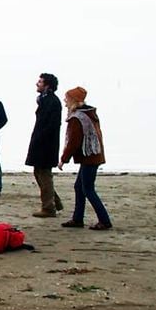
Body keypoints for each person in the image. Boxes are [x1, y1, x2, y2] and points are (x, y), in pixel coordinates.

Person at [58, 87, 112, 230]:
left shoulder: (78, 118)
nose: (64, 101)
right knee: (79, 187)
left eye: (66, 98)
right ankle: (77, 219)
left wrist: (63, 159)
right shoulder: (88, 114)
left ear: (73, 101)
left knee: (88, 189)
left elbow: (74, 142)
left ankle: (104, 220)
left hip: (90, 157)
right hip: (93, 155)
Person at [26, 73, 64, 218]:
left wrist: (40, 139)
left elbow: (52, 125)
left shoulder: (52, 101)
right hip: (41, 142)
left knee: (44, 174)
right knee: (39, 173)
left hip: (46, 144)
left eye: (40, 82)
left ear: (47, 85)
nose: (37, 83)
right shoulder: (45, 100)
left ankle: (48, 207)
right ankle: (54, 202)